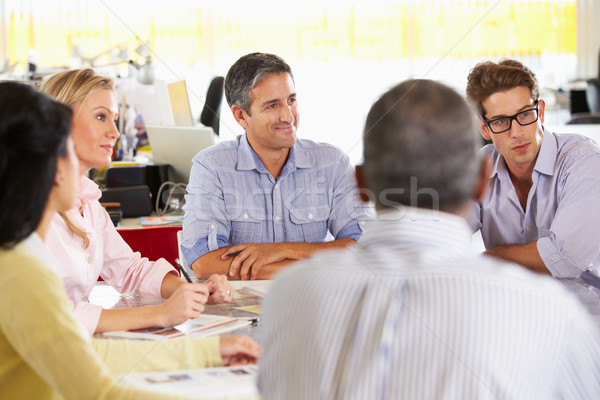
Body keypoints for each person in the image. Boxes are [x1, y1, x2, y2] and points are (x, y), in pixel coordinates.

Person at [257, 79, 600, 398]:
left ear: (360, 185)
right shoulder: (552, 319)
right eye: (500, 122)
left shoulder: (289, 297)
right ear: (482, 179)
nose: (515, 131)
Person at [0, 81, 261, 399]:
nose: (114, 132)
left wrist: (208, 351)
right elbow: (100, 391)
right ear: (54, 168)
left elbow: (90, 355)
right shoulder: (22, 271)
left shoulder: (18, 256)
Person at [40, 69, 234, 336]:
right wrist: (159, 313)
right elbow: (54, 312)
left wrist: (187, 291)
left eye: (115, 119)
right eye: (101, 117)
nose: (114, 133)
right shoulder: (33, 207)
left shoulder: (89, 203)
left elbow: (128, 269)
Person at [182, 52, 370, 280]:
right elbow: (204, 263)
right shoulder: (212, 167)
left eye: (291, 100)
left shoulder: (332, 163)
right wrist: (310, 265)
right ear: (241, 116)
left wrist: (282, 250)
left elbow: (363, 249)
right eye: (272, 106)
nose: (288, 116)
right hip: (242, 310)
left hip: (314, 302)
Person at [465, 59, 600, 288]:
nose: (516, 133)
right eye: (500, 121)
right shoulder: (480, 167)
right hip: (511, 308)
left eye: (525, 115)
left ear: (541, 111)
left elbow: (566, 257)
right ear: (485, 129)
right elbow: (444, 232)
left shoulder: (583, 161)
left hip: (584, 310)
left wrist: (491, 258)